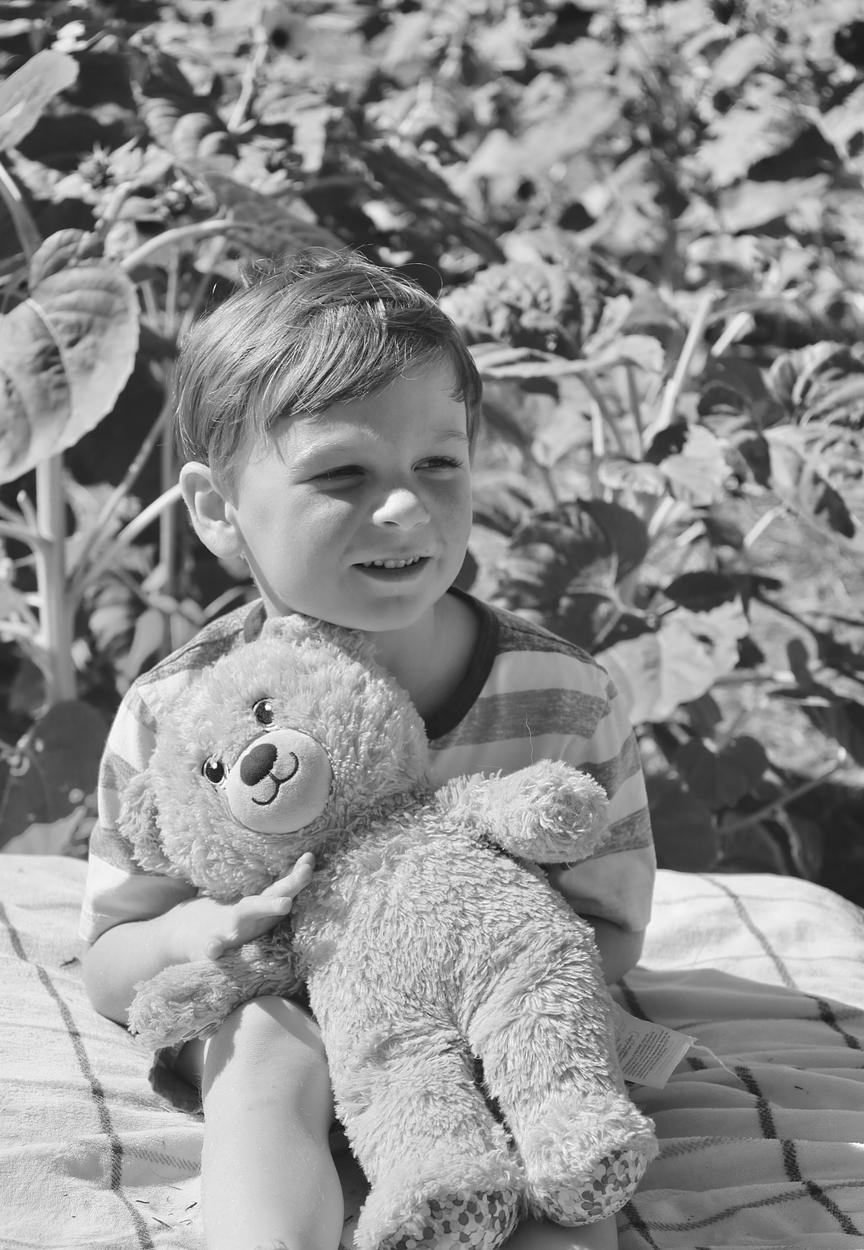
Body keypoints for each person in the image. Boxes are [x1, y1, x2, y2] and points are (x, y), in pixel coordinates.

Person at [79, 251, 656, 1250]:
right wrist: (201, 933)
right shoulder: (181, 712)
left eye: (438, 465)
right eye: (342, 473)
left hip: (491, 1012)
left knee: (553, 1143)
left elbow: (612, 925)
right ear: (217, 508)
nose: (404, 508)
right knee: (261, 1052)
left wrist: (485, 969)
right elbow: (109, 962)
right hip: (287, 1009)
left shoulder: (560, 694)